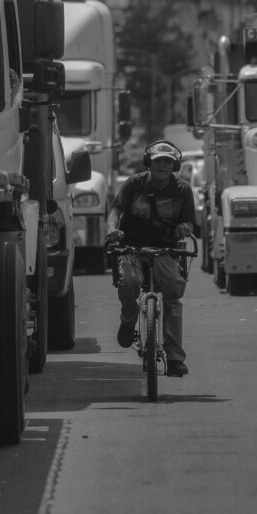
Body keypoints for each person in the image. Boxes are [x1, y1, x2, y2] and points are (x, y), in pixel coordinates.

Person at [106, 140, 196, 376]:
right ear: (149, 163)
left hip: (165, 251)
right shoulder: (134, 183)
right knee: (127, 284)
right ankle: (128, 319)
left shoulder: (183, 190)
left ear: (174, 165)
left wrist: (184, 229)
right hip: (132, 248)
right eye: (158, 161)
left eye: (167, 162)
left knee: (174, 296)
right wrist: (112, 230)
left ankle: (175, 358)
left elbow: (188, 221)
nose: (163, 166)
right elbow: (115, 211)